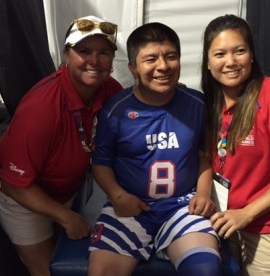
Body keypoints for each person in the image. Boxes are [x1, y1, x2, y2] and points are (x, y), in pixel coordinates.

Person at [88, 22, 220, 276]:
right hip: (131, 205)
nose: (163, 66)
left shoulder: (197, 104)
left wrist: (203, 194)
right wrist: (117, 196)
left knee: (205, 270)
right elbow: (101, 162)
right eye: (151, 59)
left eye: (170, 56)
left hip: (182, 204)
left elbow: (203, 155)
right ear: (133, 68)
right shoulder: (116, 109)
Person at [0, 15, 123, 276]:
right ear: (67, 55)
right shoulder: (41, 108)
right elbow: (13, 182)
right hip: (23, 198)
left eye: (104, 53)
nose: (94, 60)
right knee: (48, 272)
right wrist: (66, 218)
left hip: (68, 189)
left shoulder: (111, 90)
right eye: (84, 51)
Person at [201, 14, 270, 275]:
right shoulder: (210, 102)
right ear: (208, 62)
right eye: (220, 54)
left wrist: (246, 213)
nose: (231, 62)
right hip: (225, 225)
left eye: (240, 51)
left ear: (252, 55)